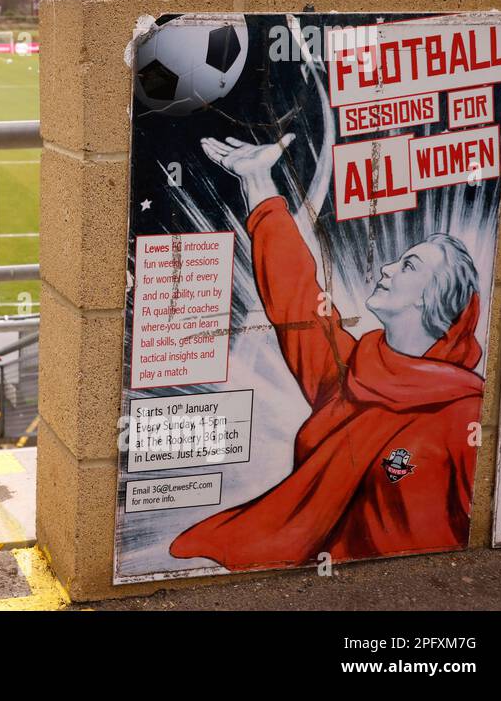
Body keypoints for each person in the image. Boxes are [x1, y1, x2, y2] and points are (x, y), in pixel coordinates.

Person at [168, 133, 484, 572]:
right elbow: (295, 295)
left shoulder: (465, 413)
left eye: (409, 265)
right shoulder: (352, 374)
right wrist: (258, 180)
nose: (389, 268)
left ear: (433, 300)